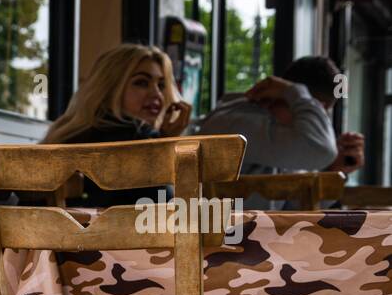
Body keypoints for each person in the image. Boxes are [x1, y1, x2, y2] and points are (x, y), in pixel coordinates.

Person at [42, 44, 192, 205]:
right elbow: (167, 212)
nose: (156, 94)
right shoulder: (141, 140)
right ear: (111, 88)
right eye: (141, 83)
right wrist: (164, 144)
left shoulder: (67, 135)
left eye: (161, 85)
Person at [194, 55, 364, 181]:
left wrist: (333, 171)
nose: (319, 120)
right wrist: (298, 95)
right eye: (319, 113)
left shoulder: (275, 134)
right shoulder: (237, 124)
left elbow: (290, 206)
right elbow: (323, 151)